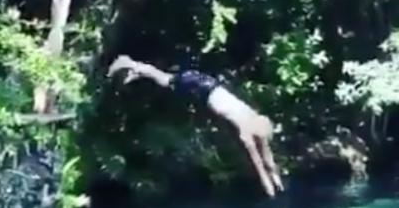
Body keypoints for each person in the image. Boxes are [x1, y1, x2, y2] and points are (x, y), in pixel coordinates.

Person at [107, 55, 285, 198]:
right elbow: (257, 160)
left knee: (164, 78)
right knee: (164, 80)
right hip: (201, 87)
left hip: (209, 85)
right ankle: (128, 62)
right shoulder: (246, 129)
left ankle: (137, 71)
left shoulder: (253, 118)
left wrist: (276, 178)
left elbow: (266, 154)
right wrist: (267, 184)